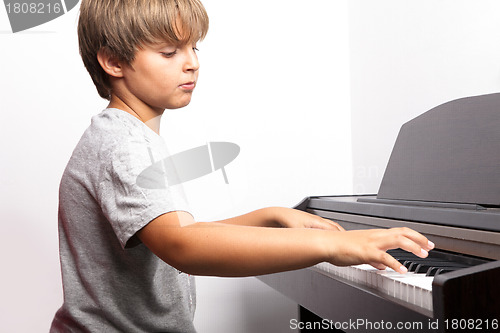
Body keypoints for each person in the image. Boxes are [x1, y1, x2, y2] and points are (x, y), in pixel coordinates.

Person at [50, 0, 434, 332]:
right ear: (114, 61)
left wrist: (268, 216)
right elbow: (183, 245)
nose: (192, 64)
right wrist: (331, 244)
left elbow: (176, 231)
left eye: (194, 48)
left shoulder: (127, 137)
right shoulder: (125, 146)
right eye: (170, 52)